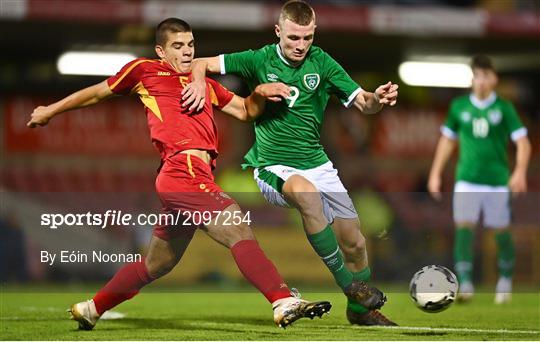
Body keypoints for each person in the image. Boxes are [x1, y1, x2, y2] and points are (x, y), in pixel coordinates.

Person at [27, 18, 332, 330]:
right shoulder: (145, 71)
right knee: (236, 226)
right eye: (178, 46)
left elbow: (245, 111)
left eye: (190, 45)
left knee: (156, 264)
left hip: (193, 176)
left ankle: (92, 308)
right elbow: (97, 93)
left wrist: (260, 93)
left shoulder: (205, 84)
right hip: (181, 170)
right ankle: (282, 300)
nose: (187, 52)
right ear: (161, 51)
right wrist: (50, 110)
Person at [182, 1, 398, 326]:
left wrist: (377, 100)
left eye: (307, 38)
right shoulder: (258, 59)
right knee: (304, 192)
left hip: (318, 164)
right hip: (273, 166)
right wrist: (198, 82)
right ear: (278, 31)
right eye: (294, 38)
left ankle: (359, 312)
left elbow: (364, 102)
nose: (300, 46)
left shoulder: (322, 62)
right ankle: (350, 287)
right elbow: (200, 63)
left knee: (354, 242)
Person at [428, 55, 531, 304]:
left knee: (501, 232)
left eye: (485, 76)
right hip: (467, 179)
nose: (481, 81)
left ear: (494, 79)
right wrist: (435, 173)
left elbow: (523, 143)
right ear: (472, 79)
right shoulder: (459, 107)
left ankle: (505, 279)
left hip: (497, 180)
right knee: (464, 227)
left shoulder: (504, 108)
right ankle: (466, 284)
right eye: (477, 76)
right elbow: (447, 140)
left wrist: (519, 172)